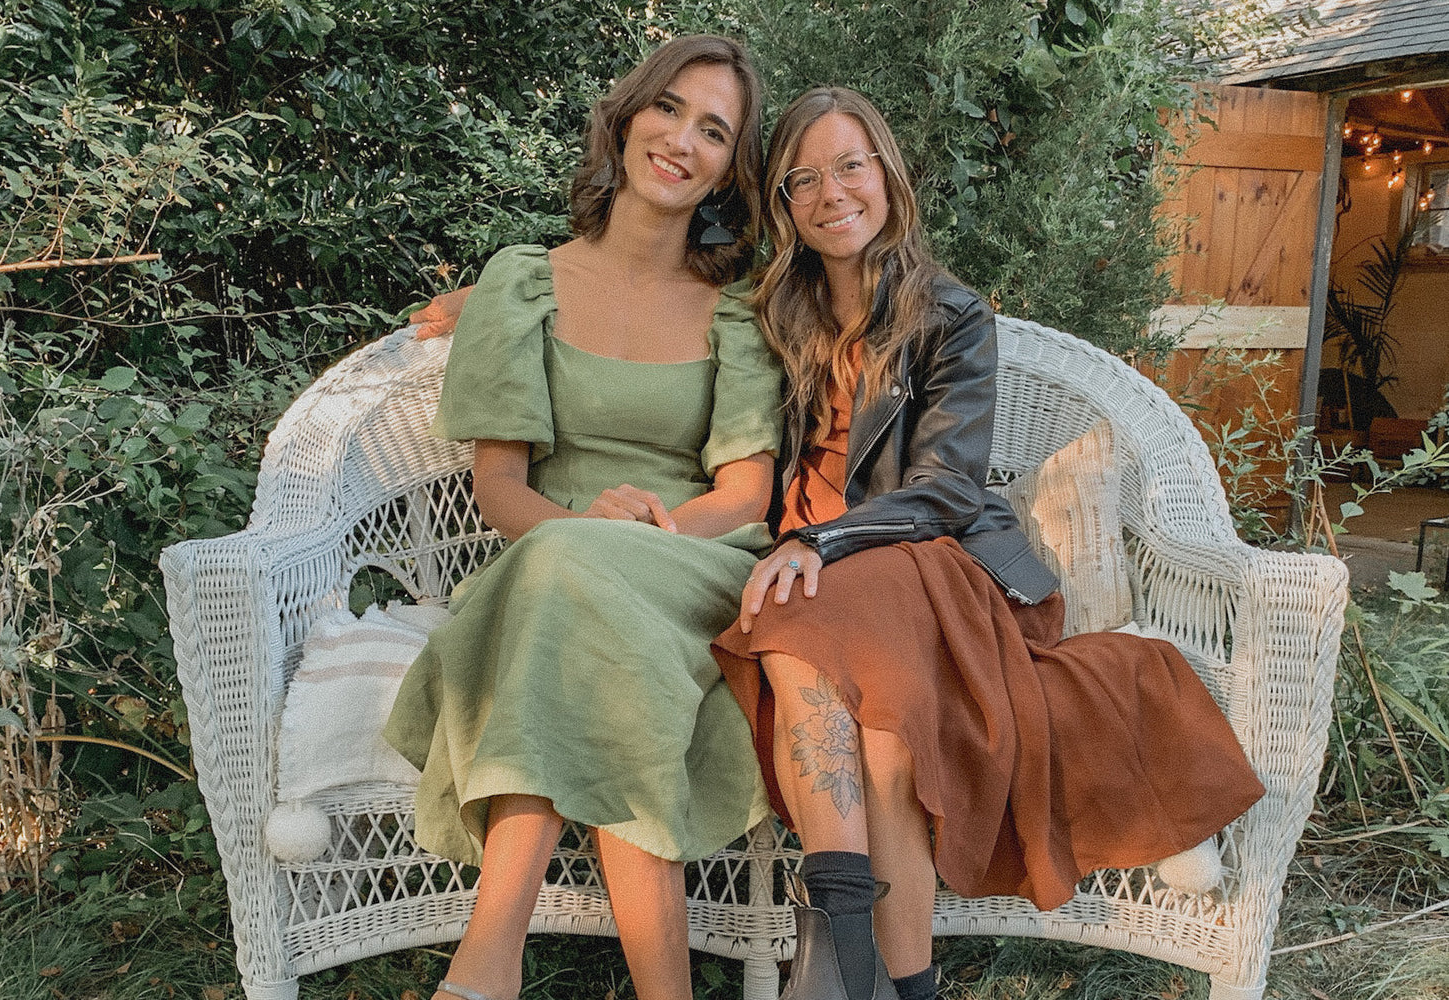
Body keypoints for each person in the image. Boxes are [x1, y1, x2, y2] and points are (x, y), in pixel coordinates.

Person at [710, 87, 1267, 1000]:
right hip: (815, 573)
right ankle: (881, 976)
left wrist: (825, 537)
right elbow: (654, 286)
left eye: (851, 166)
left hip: (928, 558)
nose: (830, 194)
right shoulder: (772, 312)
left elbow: (945, 490)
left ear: (887, 176)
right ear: (782, 205)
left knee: (808, 613)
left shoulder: (949, 314)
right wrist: (514, 288)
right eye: (801, 179)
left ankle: (840, 968)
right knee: (887, 735)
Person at [382, 36, 783, 1000]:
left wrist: (647, 533)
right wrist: (584, 529)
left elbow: (745, 495)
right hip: (552, 561)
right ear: (628, 116)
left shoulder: (736, 312)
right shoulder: (523, 284)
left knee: (576, 580)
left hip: (696, 562)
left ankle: (486, 964)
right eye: (670, 109)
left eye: (715, 130)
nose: (683, 140)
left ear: (732, 167)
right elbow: (501, 494)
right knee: (577, 592)